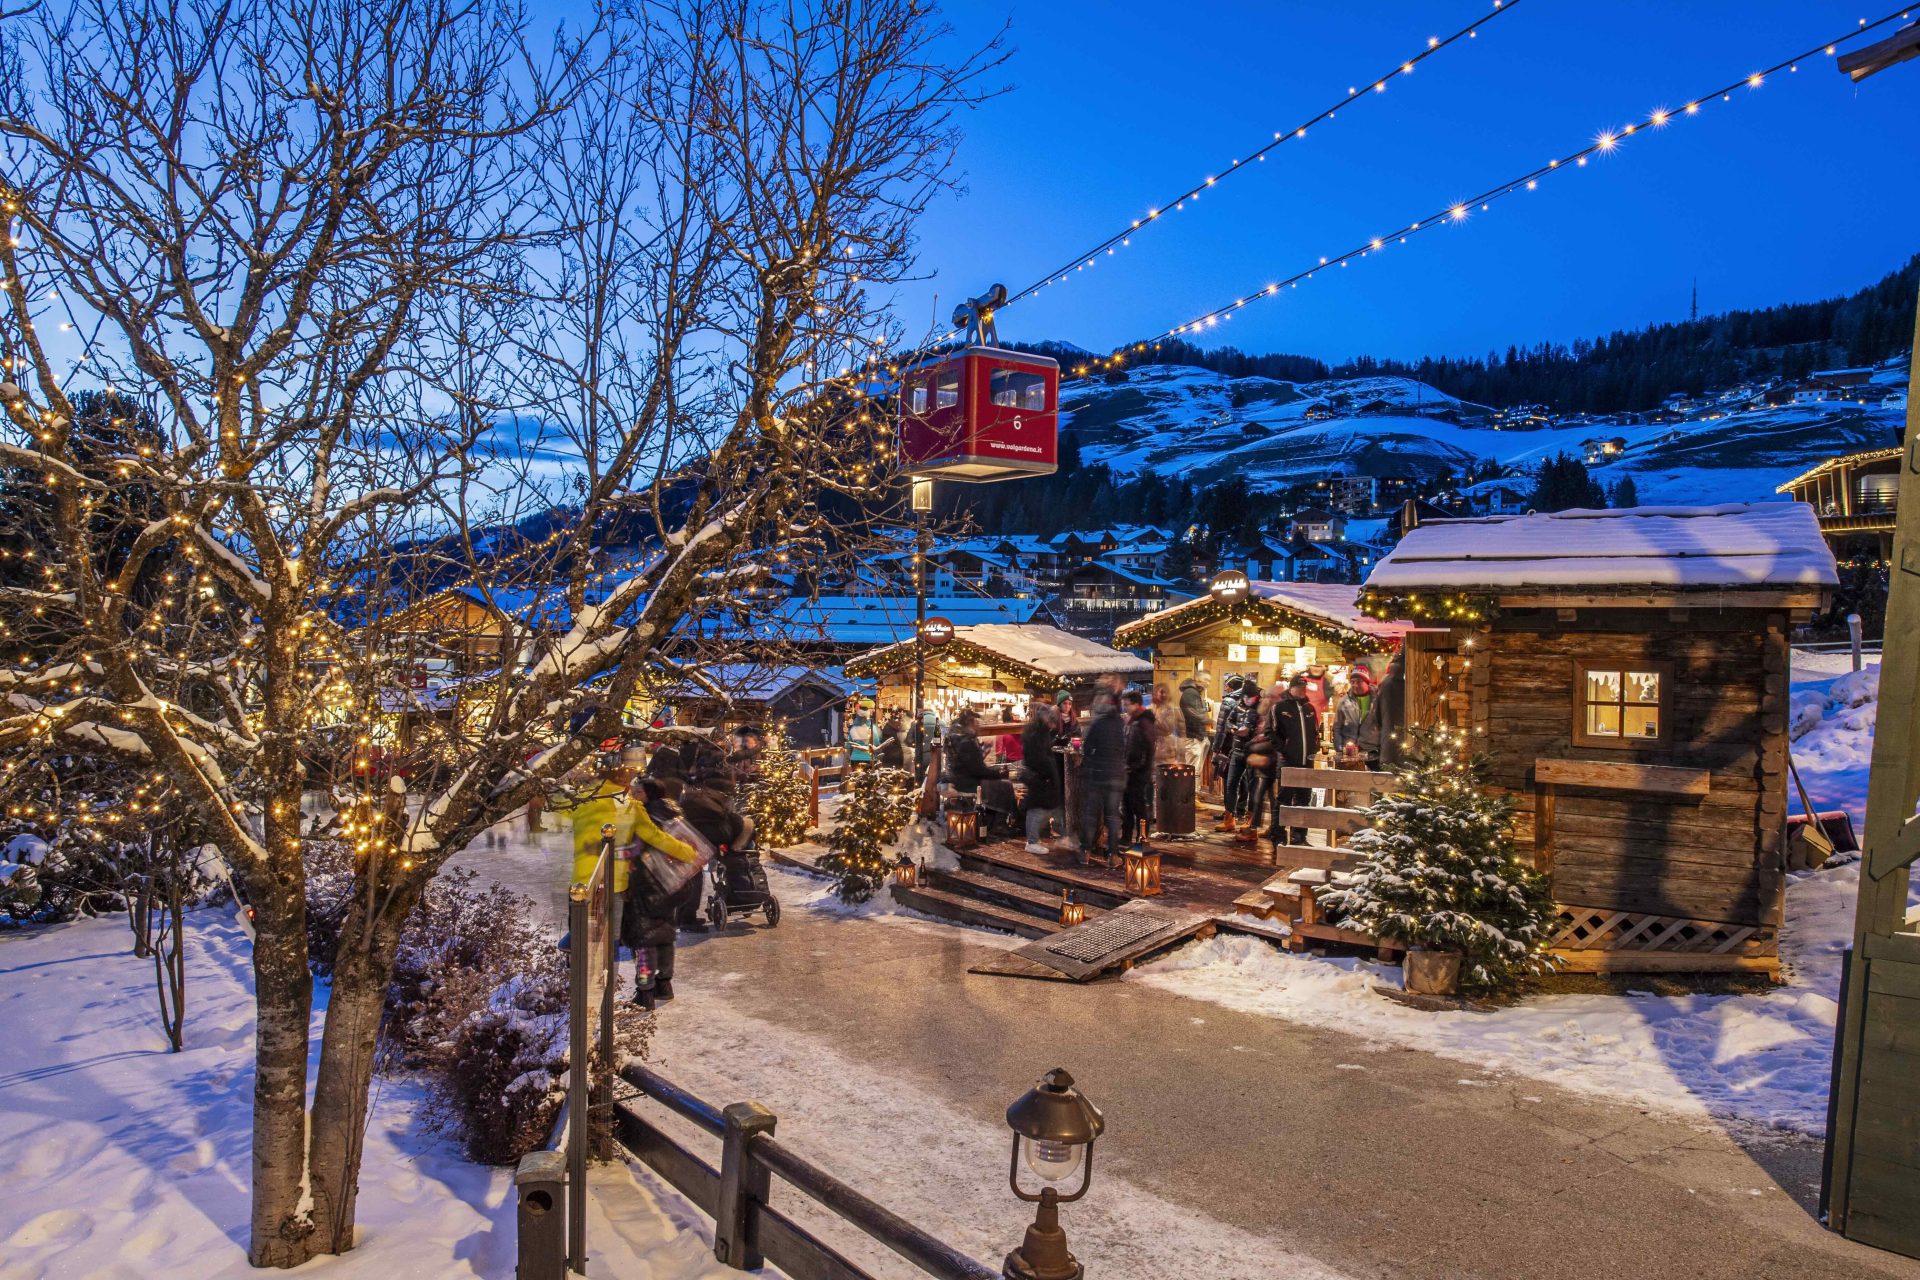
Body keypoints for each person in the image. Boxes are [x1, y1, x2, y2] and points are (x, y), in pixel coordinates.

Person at [621, 751, 710, 1008]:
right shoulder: (673, 810)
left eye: (638, 792)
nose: (633, 796)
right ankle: (664, 984)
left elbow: (639, 848)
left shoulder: (646, 815)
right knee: (664, 934)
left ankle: (645, 991)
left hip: (648, 882)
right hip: (674, 884)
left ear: (649, 794)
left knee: (644, 940)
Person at [1075, 693, 1127, 866]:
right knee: (1112, 816)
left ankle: (1085, 852)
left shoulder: (1097, 723)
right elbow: (1124, 747)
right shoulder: (1120, 723)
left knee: (1091, 815)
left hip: (1097, 774)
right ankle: (1112, 855)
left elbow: (1087, 748)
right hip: (1115, 774)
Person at [1271, 674, 1321, 846]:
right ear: (1291, 688)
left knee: (1303, 799)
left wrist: (1314, 748)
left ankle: (1299, 836)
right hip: (1288, 761)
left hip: (1307, 761)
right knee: (1283, 799)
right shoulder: (1280, 707)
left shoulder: (1309, 708)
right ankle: (1278, 835)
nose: (1302, 691)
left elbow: (1315, 732)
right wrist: (1284, 749)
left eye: (1304, 688)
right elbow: (1272, 733)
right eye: (1299, 687)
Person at [1215, 680, 1262, 831]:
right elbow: (1228, 721)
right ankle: (1229, 819)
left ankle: (1250, 821)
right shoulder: (1238, 705)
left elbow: (1265, 729)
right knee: (1231, 784)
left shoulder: (1262, 708)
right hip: (1236, 750)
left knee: (1253, 786)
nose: (1247, 700)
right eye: (1245, 697)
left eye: (1250, 697)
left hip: (1253, 751)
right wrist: (1233, 728)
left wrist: (1251, 731)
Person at [1019, 700, 1063, 852]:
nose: (1053, 725)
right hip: (1038, 775)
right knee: (1037, 808)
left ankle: (1059, 837)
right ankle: (1032, 842)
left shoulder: (1038, 731)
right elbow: (1038, 756)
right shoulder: (1036, 733)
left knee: (1047, 806)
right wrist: (1049, 771)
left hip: (1040, 774)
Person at [1121, 689, 1157, 851]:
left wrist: (1136, 767)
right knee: (1127, 805)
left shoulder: (1144, 723)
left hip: (1138, 772)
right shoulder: (1133, 721)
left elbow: (1147, 749)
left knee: (1139, 807)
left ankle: (1142, 839)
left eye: (1127, 704)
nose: (1125, 708)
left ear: (1136, 705)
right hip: (1130, 770)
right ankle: (1126, 837)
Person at [1356, 653, 1405, 771]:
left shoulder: (1386, 684)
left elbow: (1377, 717)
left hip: (1389, 748)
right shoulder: (1412, 683)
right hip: (1411, 748)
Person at [1179, 674, 1211, 770]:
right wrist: (1208, 720)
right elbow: (1193, 713)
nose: (1208, 683)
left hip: (1197, 736)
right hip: (1193, 737)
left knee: (1195, 770)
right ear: (1198, 679)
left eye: (1209, 680)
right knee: (1192, 770)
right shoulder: (1190, 693)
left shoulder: (1195, 693)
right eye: (1206, 679)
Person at [1331, 679, 1364, 759]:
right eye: (1353, 682)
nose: (1356, 685)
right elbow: (1337, 726)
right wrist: (1339, 749)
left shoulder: (1372, 698)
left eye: (1359, 681)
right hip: (1348, 750)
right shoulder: (1344, 701)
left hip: (1368, 750)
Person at [845, 700, 876, 766]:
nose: (873, 710)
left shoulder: (853, 726)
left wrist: (847, 760)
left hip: (854, 758)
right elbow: (876, 743)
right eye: (872, 708)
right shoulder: (871, 727)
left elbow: (848, 744)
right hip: (868, 758)